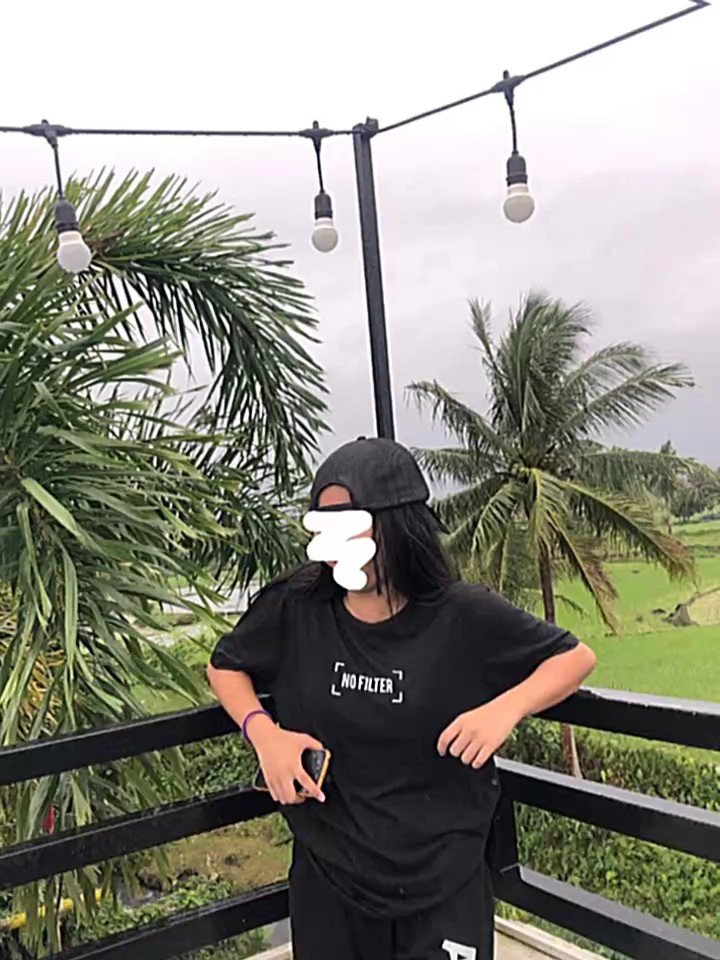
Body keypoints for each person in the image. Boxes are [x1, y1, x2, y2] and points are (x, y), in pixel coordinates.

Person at [208, 437, 596, 960]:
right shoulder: (297, 607)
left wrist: (505, 709)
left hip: (444, 880)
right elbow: (225, 665)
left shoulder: (463, 614)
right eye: (324, 526)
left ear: (397, 523)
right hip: (330, 878)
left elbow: (574, 658)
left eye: (349, 524)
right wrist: (264, 734)